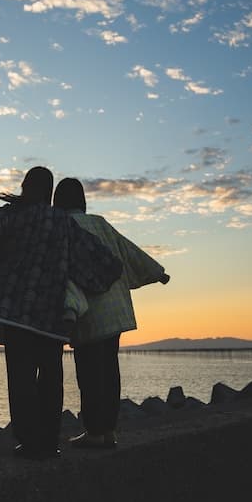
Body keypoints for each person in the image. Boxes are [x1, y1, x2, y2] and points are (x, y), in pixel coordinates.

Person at [0, 166, 123, 460]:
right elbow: (100, 260)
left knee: (21, 377)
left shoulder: (11, 215)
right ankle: (50, 441)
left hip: (15, 313)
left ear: (26, 186)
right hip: (52, 318)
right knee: (51, 376)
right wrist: (106, 274)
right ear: (50, 191)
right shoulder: (62, 223)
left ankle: (29, 441)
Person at [53, 177, 170, 450]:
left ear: (57, 201)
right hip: (115, 310)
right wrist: (157, 272)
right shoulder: (100, 223)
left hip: (87, 311)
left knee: (90, 373)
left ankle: (94, 432)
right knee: (109, 371)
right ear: (82, 200)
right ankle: (108, 431)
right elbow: (129, 252)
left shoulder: (61, 227)